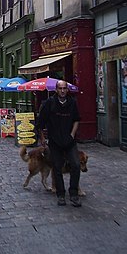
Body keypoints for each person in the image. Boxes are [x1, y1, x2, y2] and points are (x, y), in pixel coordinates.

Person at [37, 79, 82, 207]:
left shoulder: (72, 103)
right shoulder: (49, 103)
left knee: (76, 164)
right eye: (60, 88)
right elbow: (40, 123)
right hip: (55, 141)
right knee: (57, 167)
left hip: (69, 141)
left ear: (67, 90)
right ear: (56, 90)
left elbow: (77, 119)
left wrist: (72, 134)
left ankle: (73, 193)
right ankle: (61, 195)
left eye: (64, 88)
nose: (62, 91)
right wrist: (42, 139)